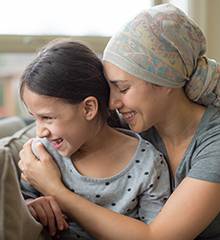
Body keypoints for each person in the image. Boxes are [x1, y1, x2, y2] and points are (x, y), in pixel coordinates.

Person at [18, 3, 220, 240]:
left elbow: (157, 237)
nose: (112, 102)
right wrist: (30, 155)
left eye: (122, 88)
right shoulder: (135, 121)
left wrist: (55, 190)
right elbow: (61, 120)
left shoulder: (212, 146)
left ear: (166, 82)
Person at [18, 39, 170, 239]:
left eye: (47, 118)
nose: (40, 132)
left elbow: (154, 231)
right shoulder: (42, 156)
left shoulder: (148, 164)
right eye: (35, 117)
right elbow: (18, 205)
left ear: (88, 108)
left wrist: (56, 192)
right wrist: (30, 207)